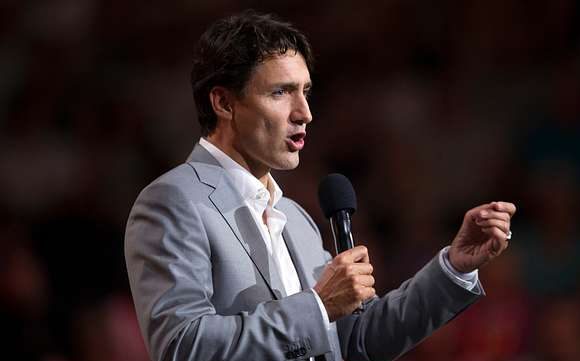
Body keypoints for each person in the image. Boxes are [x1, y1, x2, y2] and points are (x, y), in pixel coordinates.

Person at [124, 10, 516, 361]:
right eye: (280, 92)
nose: (305, 113)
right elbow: (183, 347)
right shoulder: (172, 201)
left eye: (305, 92)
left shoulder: (296, 218)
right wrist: (318, 305)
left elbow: (358, 340)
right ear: (224, 103)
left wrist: (453, 268)